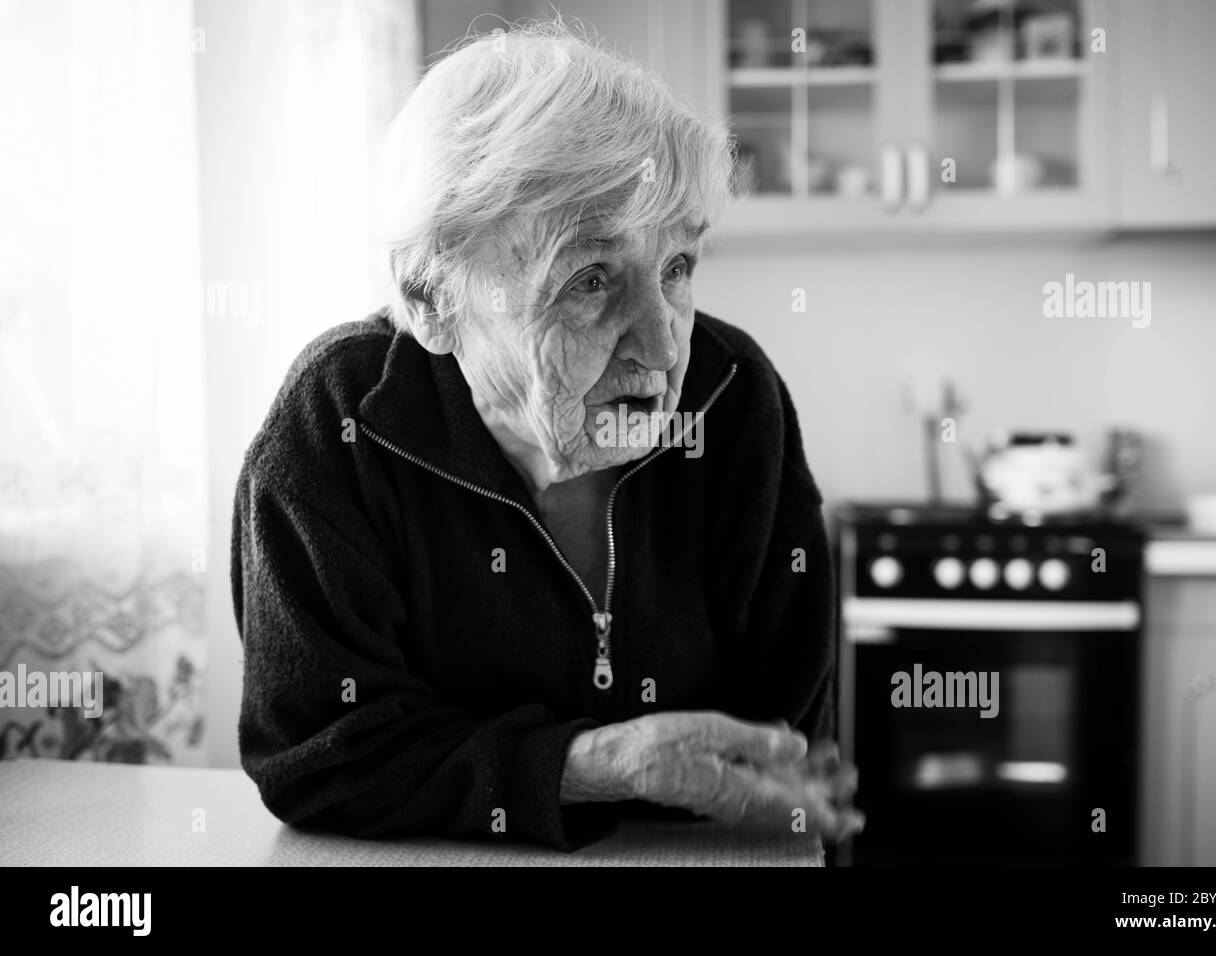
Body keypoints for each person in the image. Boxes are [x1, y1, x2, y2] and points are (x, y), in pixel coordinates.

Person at [232, 20, 862, 850]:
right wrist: (596, 765)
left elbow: (780, 755)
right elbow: (318, 755)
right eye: (591, 279)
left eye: (677, 268)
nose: (662, 347)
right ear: (431, 299)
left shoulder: (735, 400)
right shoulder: (339, 423)